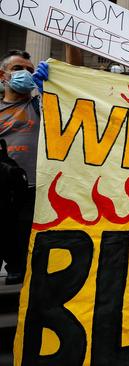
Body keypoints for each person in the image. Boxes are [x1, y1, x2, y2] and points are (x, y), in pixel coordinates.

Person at [0, 50, 48, 284]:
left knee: (20, 262)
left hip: (30, 189)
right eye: (19, 69)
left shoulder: (39, 106)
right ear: (3, 75)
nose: (26, 74)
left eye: (30, 70)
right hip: (2, 191)